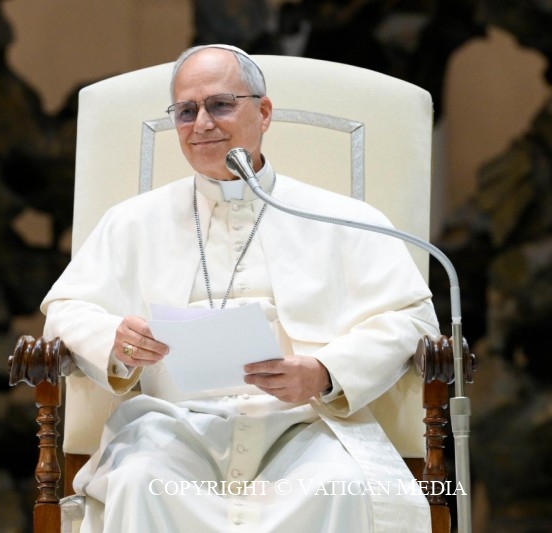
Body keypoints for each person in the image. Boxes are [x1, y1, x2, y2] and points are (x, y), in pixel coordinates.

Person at [41, 44, 439, 532]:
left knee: (339, 486)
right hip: (170, 426)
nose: (202, 123)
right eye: (186, 111)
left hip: (306, 426)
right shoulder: (131, 221)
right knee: (138, 479)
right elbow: (66, 308)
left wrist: (325, 372)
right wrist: (115, 341)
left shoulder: (340, 218)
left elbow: (412, 317)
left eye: (220, 105)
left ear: (264, 112)